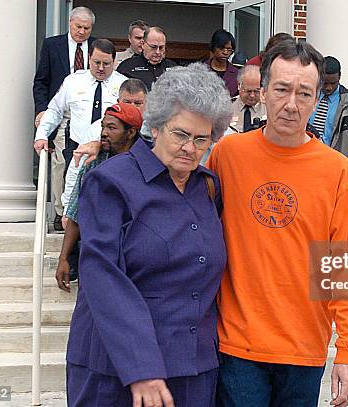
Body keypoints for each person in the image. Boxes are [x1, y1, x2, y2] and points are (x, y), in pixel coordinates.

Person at [208, 39, 348, 406]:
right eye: (282, 89)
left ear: (317, 101)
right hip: (237, 346)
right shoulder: (227, 156)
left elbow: (347, 264)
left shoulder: (336, 170)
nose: (292, 104)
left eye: (304, 94)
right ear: (263, 91)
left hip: (303, 350)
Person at [65, 63, 232, 406]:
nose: (190, 146)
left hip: (192, 369)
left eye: (201, 138)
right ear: (155, 127)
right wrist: (141, 367)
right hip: (117, 370)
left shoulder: (208, 188)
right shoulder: (111, 182)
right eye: (180, 134)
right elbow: (102, 276)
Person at [55, 79, 149, 290]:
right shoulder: (93, 164)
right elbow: (76, 213)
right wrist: (63, 257)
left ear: (131, 132)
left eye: (112, 128)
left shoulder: (150, 162)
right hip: (97, 257)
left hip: (137, 261)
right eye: (104, 127)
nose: (104, 132)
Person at [33, 6, 96, 231]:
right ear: (70, 22)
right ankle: (61, 212)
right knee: (60, 162)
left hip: (87, 111)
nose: (82, 32)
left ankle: (82, 211)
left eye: (86, 28)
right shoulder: (53, 45)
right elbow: (41, 80)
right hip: (59, 108)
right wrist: (42, 110)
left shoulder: (96, 47)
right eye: (78, 26)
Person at [34, 39, 127, 172]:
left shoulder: (124, 85)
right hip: (77, 148)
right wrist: (42, 135)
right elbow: (55, 111)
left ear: (114, 62)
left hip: (111, 152)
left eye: (106, 64)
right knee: (71, 189)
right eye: (97, 62)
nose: (101, 68)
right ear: (89, 58)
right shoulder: (73, 81)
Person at [309, 56, 348, 195]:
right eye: (324, 82)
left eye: (333, 83)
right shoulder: (305, 97)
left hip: (336, 173)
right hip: (307, 167)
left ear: (340, 77)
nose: (328, 87)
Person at [228, 65, 266, 133]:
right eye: (248, 91)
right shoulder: (227, 107)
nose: (252, 95)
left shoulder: (270, 108)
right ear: (239, 86)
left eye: (257, 91)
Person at [205, 29, 239, 97]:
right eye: (221, 48)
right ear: (213, 47)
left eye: (229, 49)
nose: (225, 52)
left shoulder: (237, 74)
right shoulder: (202, 70)